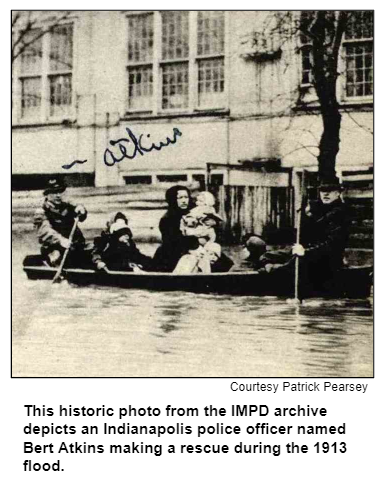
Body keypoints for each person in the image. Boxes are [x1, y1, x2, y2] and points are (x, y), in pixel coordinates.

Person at [33, 177, 89, 267]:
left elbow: (81, 217)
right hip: (55, 248)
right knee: (56, 257)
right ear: (46, 194)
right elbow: (45, 231)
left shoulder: (67, 206)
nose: (58, 195)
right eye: (54, 192)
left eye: (60, 192)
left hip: (74, 245)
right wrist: (61, 240)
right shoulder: (41, 211)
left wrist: (81, 209)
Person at [152, 185, 193, 272]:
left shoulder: (192, 215)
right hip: (172, 255)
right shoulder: (167, 219)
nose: (184, 200)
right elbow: (173, 242)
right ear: (173, 200)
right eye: (180, 198)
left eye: (186, 197)